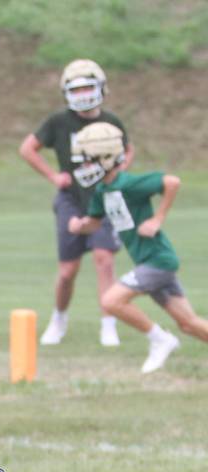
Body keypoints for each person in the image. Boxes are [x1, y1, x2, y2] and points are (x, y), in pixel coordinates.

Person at [68, 122, 207, 373]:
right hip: (148, 262)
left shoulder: (129, 184)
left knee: (110, 301)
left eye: (88, 161)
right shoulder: (103, 190)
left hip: (158, 261)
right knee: (189, 324)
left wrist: (157, 219)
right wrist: (80, 226)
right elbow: (95, 222)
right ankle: (163, 339)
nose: (83, 167)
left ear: (107, 158)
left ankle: (160, 340)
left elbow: (172, 182)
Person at [18, 60, 130, 347]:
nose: (81, 94)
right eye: (75, 89)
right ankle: (59, 318)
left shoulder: (111, 122)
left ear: (100, 88)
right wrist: (54, 176)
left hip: (104, 199)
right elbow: (27, 148)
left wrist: (116, 173)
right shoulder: (59, 122)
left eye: (87, 88)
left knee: (104, 260)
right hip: (71, 200)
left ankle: (109, 324)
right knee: (68, 271)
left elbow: (127, 151)